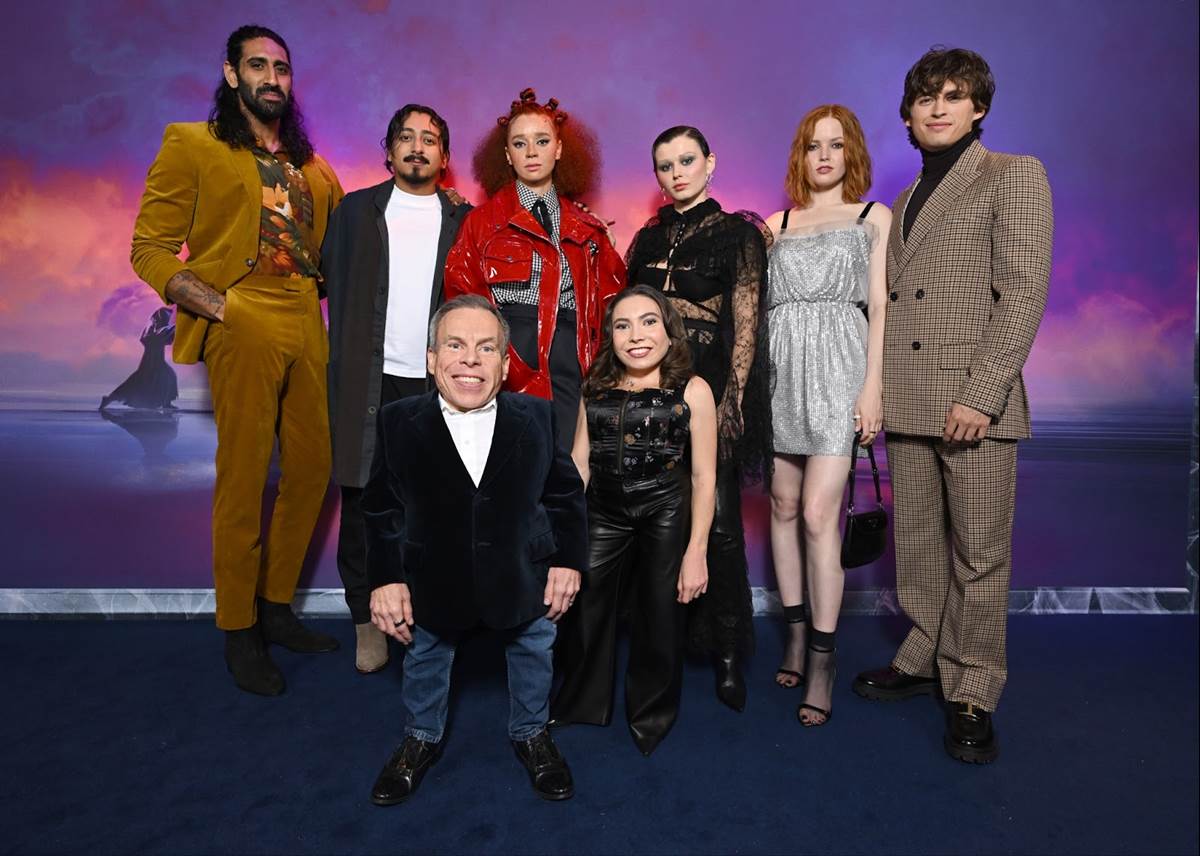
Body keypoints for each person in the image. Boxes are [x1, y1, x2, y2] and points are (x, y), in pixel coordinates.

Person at [129, 24, 345, 696]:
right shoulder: (191, 144)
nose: (271, 77)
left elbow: (345, 244)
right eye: (258, 65)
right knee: (245, 474)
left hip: (307, 317)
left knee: (312, 468)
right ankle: (238, 627)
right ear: (231, 75)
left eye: (281, 67)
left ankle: (277, 606)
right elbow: (150, 248)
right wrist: (218, 306)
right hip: (240, 311)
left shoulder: (317, 169)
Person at [851, 47, 1053, 764]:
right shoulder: (904, 199)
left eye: (953, 94)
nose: (937, 106)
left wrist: (983, 393)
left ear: (979, 109)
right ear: (908, 114)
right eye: (925, 97)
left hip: (972, 404)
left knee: (979, 554)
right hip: (909, 402)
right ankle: (923, 653)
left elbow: (1023, 291)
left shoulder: (1013, 175)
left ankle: (972, 688)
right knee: (919, 549)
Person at [363, 295, 588, 804]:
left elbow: (564, 495)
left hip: (521, 573)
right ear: (431, 359)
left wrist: (569, 562)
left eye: (486, 348)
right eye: (455, 345)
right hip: (433, 578)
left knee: (534, 650)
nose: (470, 358)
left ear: (506, 365)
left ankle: (532, 732)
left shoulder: (538, 415)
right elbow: (380, 507)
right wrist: (385, 578)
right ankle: (420, 737)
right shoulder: (398, 420)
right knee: (424, 657)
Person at [625, 126, 771, 712]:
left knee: (722, 527)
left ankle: (729, 652)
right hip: (650, 393)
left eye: (687, 161)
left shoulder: (738, 233)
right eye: (664, 166)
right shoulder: (647, 236)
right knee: (658, 515)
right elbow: (628, 320)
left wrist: (733, 402)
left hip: (708, 392)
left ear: (710, 163)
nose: (676, 173)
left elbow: (746, 325)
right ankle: (665, 640)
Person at [322, 104, 471, 674]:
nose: (417, 146)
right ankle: (366, 619)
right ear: (388, 150)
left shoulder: (463, 219)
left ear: (444, 156)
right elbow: (321, 279)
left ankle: (426, 614)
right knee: (363, 501)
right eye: (405, 137)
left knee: (436, 506)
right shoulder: (354, 211)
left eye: (429, 138)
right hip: (367, 378)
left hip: (439, 383)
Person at [762, 105, 890, 727]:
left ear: (851, 154)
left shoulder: (872, 218)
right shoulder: (775, 223)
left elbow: (880, 309)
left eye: (836, 146)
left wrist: (873, 390)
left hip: (840, 373)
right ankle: (791, 629)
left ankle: (822, 656)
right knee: (782, 507)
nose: (824, 157)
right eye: (813, 146)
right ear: (801, 154)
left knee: (818, 513)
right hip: (782, 372)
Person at [551, 286, 717, 755]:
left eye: (648, 322)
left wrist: (696, 552)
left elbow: (705, 478)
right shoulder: (595, 385)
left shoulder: (694, 390)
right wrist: (563, 539)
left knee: (659, 612)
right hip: (603, 508)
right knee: (585, 604)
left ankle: (651, 714)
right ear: (611, 336)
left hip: (665, 507)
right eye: (622, 325)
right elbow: (578, 463)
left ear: (669, 331)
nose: (636, 335)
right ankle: (582, 701)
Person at [444, 88, 625, 450]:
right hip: (506, 350)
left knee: (568, 471)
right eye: (519, 143)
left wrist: (601, 371)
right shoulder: (481, 223)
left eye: (542, 141)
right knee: (508, 472)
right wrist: (491, 356)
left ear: (559, 149)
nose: (531, 152)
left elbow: (612, 302)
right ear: (507, 155)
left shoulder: (589, 229)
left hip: (572, 359)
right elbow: (463, 298)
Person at [100, 307, 179, 410]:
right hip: (151, 362)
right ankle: (109, 399)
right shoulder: (154, 331)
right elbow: (163, 334)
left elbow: (166, 336)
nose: (167, 320)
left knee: (168, 376)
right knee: (137, 382)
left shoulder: (156, 330)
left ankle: (166, 403)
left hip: (155, 361)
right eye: (166, 318)